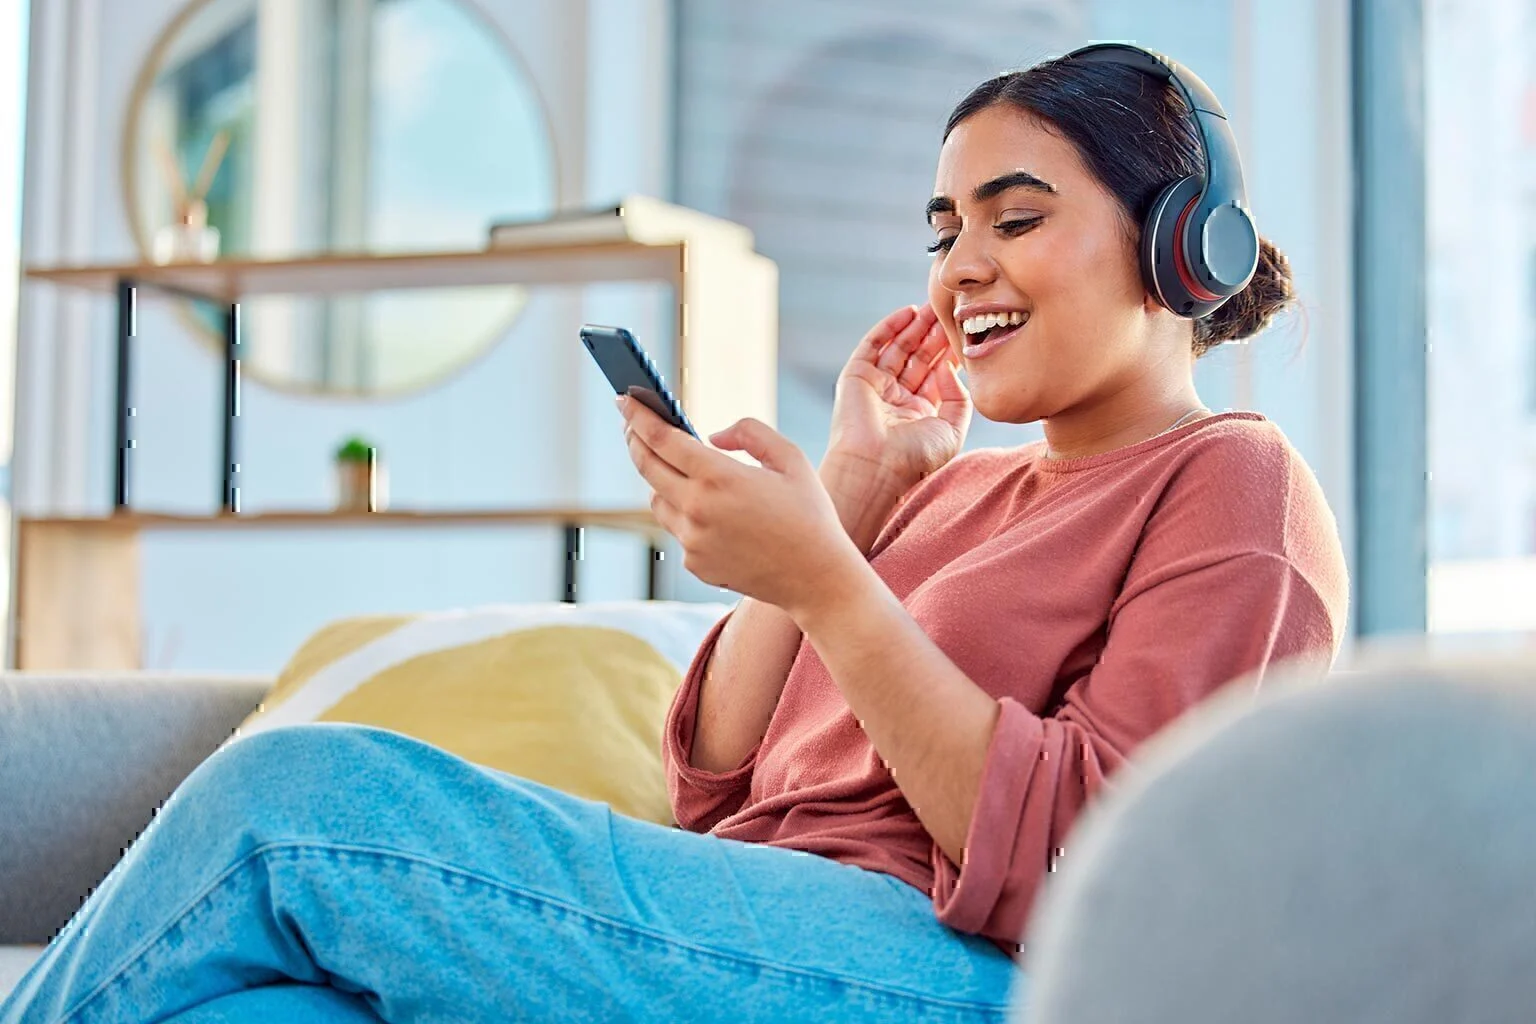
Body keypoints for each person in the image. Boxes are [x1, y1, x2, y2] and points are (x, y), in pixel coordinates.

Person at [0, 45, 1347, 1024]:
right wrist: (856, 498)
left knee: (289, 805)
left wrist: (827, 579)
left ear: (1184, 249)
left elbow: (1086, 866)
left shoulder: (1234, 486)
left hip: (960, 970)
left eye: (1016, 218)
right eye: (943, 233)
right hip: (766, 927)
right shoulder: (956, 493)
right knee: (257, 1013)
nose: (960, 270)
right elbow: (715, 782)